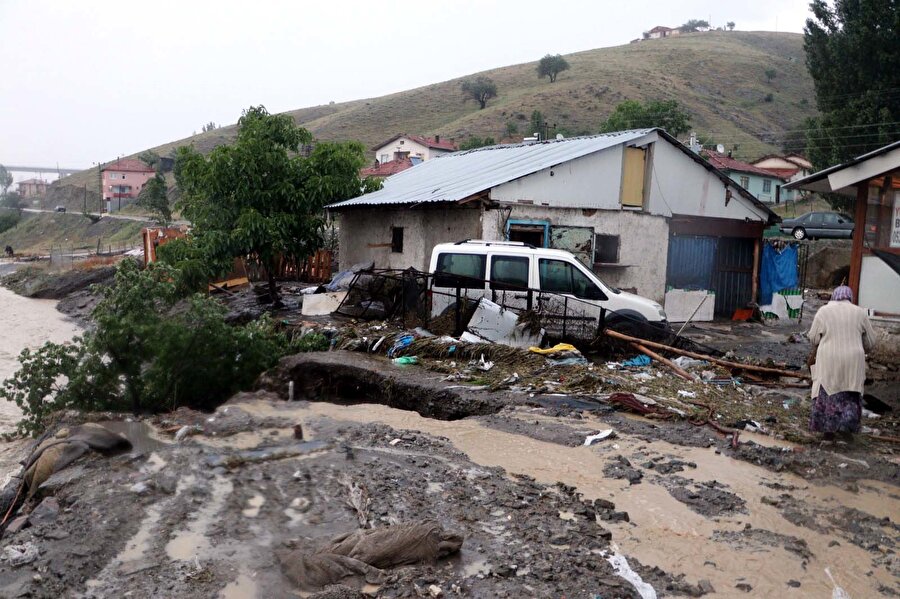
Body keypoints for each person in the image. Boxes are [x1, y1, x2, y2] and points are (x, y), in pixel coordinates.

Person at [807, 285, 876, 440]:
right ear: (850, 298)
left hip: (829, 359)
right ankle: (847, 429)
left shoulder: (824, 311)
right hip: (853, 360)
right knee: (850, 392)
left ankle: (828, 431)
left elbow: (813, 338)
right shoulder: (860, 313)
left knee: (827, 391)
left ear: (834, 296)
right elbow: (871, 342)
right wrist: (859, 345)